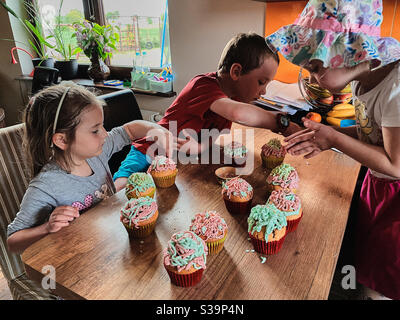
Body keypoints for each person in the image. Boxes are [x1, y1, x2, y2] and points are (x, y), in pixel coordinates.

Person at [267, 0, 400, 300]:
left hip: (396, 202)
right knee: (366, 267)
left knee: (384, 280)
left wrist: (335, 139)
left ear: (347, 53)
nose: (313, 79)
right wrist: (328, 136)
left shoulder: (396, 88)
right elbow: (372, 132)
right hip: (377, 187)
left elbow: (395, 164)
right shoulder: (361, 80)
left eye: (315, 69)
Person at [113, 32, 302, 191]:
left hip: (178, 162)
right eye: (262, 82)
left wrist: (201, 148)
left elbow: (216, 133)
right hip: (149, 149)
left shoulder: (233, 100)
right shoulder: (203, 85)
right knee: (122, 187)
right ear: (236, 72)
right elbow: (239, 114)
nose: (264, 91)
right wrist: (281, 123)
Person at [7, 83, 173, 253]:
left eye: (102, 126)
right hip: (80, 258)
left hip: (110, 242)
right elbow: (13, 240)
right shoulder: (46, 186)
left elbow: (129, 131)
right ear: (62, 140)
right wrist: (47, 228)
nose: (105, 134)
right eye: (95, 130)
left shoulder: (96, 152)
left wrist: (155, 129)